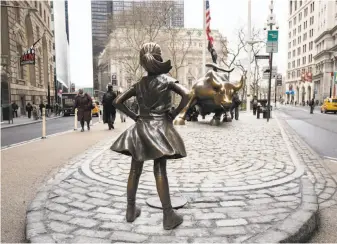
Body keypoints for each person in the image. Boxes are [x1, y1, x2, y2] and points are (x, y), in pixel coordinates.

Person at [111, 42, 189, 230]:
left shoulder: (139, 84)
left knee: (135, 170)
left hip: (140, 129)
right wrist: (174, 113)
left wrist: (135, 117)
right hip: (160, 129)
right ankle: (168, 215)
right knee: (159, 170)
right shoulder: (167, 80)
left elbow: (117, 101)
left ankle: (130, 210)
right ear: (159, 58)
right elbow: (187, 94)